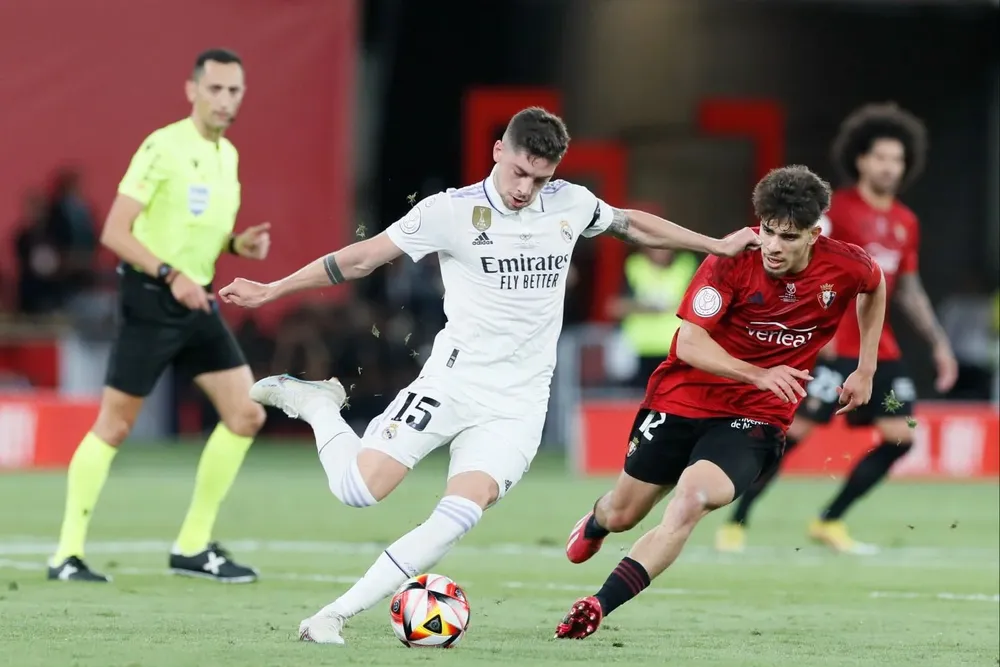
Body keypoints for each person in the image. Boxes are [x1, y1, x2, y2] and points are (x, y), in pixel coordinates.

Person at [218, 106, 760, 644]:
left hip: (518, 405)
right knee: (360, 490)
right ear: (499, 150)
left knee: (456, 516)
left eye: (540, 177)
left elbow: (629, 223)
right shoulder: (448, 212)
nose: (527, 188)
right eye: (520, 172)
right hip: (451, 383)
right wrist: (272, 289)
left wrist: (714, 244)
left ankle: (331, 616)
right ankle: (318, 406)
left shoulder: (570, 202)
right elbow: (362, 258)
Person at [555, 165, 886, 640]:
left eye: (787, 237)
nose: (772, 245)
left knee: (690, 501)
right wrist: (760, 372)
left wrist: (866, 367)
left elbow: (875, 287)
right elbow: (689, 344)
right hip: (682, 396)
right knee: (625, 513)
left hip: (756, 415)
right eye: (767, 230)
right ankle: (599, 519)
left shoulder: (846, 264)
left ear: (815, 234)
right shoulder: (732, 258)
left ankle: (597, 604)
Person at [48, 49, 271, 584]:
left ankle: (193, 546)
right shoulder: (163, 146)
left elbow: (197, 233)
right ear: (191, 89)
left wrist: (237, 243)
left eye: (234, 91)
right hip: (152, 298)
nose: (224, 100)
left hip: (197, 301)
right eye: (214, 89)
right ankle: (66, 555)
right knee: (116, 424)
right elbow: (115, 232)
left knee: (247, 414)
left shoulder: (228, 156)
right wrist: (171, 274)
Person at [716, 103, 958, 555]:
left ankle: (829, 521)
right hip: (829, 348)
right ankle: (737, 520)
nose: (890, 167)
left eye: (898, 159)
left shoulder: (906, 222)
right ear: (861, 159)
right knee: (792, 434)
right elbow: (796, 264)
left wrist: (939, 344)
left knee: (900, 435)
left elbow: (907, 289)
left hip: (876, 354)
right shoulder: (838, 211)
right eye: (882, 157)